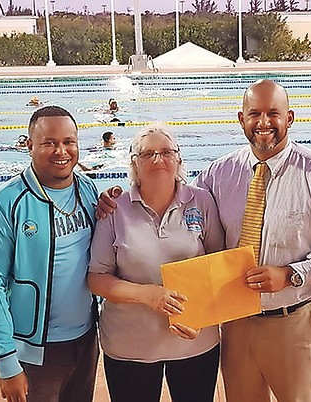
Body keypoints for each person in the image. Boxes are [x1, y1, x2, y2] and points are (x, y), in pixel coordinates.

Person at [98, 79, 311, 402]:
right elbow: (173, 201)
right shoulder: (219, 174)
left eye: (273, 114)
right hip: (235, 324)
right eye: (254, 114)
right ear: (241, 119)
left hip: (290, 320)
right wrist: (116, 197)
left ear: (289, 118)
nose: (263, 123)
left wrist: (290, 274)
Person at [87, 125, 225, 402]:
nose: (158, 159)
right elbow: (97, 278)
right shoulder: (115, 208)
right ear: (134, 164)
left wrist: (203, 318)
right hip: (129, 347)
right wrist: (146, 295)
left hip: (194, 342)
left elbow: (218, 267)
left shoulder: (202, 201)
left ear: (178, 159)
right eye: (147, 154)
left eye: (166, 152)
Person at [0, 106, 101, 402]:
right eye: (49, 143)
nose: (62, 151)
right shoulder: (4, 204)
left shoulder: (88, 190)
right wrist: (7, 363)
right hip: (34, 349)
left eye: (69, 142)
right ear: (30, 146)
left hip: (85, 340)